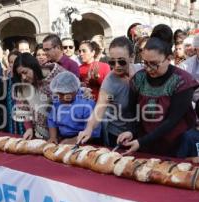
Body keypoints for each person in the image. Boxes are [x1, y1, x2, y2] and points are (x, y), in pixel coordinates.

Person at [117, 24, 199, 157]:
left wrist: (141, 141)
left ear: (169, 58)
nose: (149, 69)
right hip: (146, 143)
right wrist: (131, 131)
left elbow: (172, 121)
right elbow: (132, 111)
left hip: (177, 145)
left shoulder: (183, 81)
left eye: (154, 64)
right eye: (145, 63)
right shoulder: (139, 78)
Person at [77, 36, 135, 147]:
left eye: (122, 61)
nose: (117, 66)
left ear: (132, 57)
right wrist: (88, 129)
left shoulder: (141, 71)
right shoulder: (110, 81)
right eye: (112, 62)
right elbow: (100, 108)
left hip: (142, 133)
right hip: (118, 135)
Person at [13, 53, 65, 139]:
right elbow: (24, 110)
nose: (23, 77)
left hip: (64, 135)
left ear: (33, 66)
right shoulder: (22, 88)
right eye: (20, 75)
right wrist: (29, 128)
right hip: (40, 137)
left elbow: (74, 89)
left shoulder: (56, 75)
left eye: (25, 72)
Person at [48, 72, 101, 144]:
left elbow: (93, 132)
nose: (60, 96)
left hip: (84, 140)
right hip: (63, 138)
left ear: (74, 91)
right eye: (58, 93)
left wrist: (72, 141)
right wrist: (53, 137)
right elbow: (52, 120)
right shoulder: (58, 101)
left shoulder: (86, 104)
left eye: (63, 94)